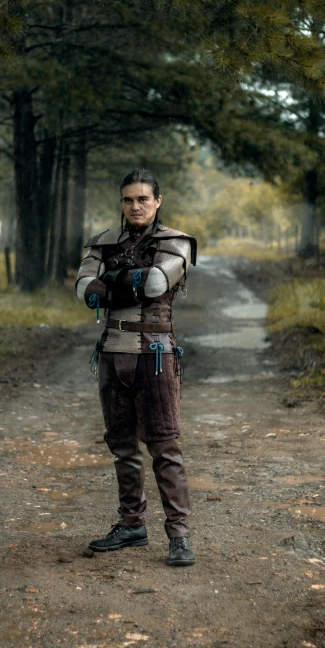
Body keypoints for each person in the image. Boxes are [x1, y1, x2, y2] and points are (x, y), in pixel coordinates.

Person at [76, 168, 196, 567]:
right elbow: (84, 290)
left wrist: (110, 279)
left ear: (157, 201)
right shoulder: (103, 241)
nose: (135, 206)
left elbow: (157, 285)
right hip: (112, 352)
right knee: (122, 444)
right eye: (128, 199)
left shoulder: (175, 242)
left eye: (143, 199)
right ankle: (131, 525)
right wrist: (126, 281)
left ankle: (179, 536)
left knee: (164, 445)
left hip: (156, 355)